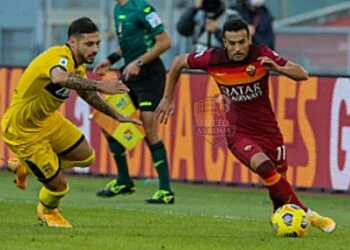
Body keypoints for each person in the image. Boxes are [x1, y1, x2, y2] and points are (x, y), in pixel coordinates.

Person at [154, 17, 336, 233]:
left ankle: (285, 223)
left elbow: (302, 74)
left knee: (278, 190)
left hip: (269, 132)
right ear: (224, 42)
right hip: (238, 133)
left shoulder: (261, 54)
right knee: (266, 168)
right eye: (232, 43)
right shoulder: (213, 59)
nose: (238, 48)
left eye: (242, 42)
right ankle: (310, 215)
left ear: (249, 38)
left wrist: (277, 67)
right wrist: (167, 97)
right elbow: (177, 62)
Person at [1, 17, 141, 228]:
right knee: (59, 187)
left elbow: (86, 94)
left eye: (97, 44)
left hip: (47, 120)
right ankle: (47, 211)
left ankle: (25, 167)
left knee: (86, 156)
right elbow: (58, 78)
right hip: (23, 129)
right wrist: (101, 85)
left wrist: (116, 114)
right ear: (72, 42)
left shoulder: (77, 63)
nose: (94, 49)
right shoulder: (59, 57)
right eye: (89, 44)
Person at [93, 0, 174, 204]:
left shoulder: (142, 8)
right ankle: (124, 179)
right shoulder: (118, 9)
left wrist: (139, 62)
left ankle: (165, 190)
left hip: (149, 75)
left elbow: (165, 42)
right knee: (106, 118)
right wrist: (111, 59)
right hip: (131, 74)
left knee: (149, 128)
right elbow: (129, 43)